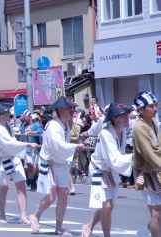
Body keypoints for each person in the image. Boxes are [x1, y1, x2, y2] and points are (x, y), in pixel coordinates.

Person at [29, 97, 85, 234]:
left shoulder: (65, 124)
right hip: (49, 163)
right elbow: (57, 146)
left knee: (64, 195)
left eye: (72, 109)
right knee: (52, 195)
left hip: (60, 163)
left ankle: (58, 227)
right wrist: (76, 146)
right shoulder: (54, 125)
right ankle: (35, 215)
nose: (72, 111)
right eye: (69, 109)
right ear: (61, 110)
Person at [82, 103, 133, 237]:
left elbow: (118, 157)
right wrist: (136, 156)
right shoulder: (106, 133)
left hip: (111, 169)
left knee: (108, 205)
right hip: (99, 170)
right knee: (107, 205)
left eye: (128, 114)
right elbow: (114, 158)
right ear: (115, 118)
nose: (128, 118)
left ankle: (89, 226)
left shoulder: (122, 131)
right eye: (124, 115)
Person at [0, 102, 39, 223]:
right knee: (4, 187)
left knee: (21, 185)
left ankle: (23, 215)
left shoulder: (8, 126)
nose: (8, 115)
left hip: (13, 158)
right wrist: (27, 144)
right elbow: (9, 143)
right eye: (5, 113)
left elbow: (12, 142)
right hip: (3, 160)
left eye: (8, 113)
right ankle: (2, 214)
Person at [132, 91, 161, 237]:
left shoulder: (153, 122)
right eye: (151, 106)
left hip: (157, 172)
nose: (155, 108)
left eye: (155, 105)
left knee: (158, 214)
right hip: (147, 174)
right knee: (156, 213)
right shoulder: (139, 127)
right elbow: (149, 154)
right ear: (141, 110)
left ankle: (145, 233)